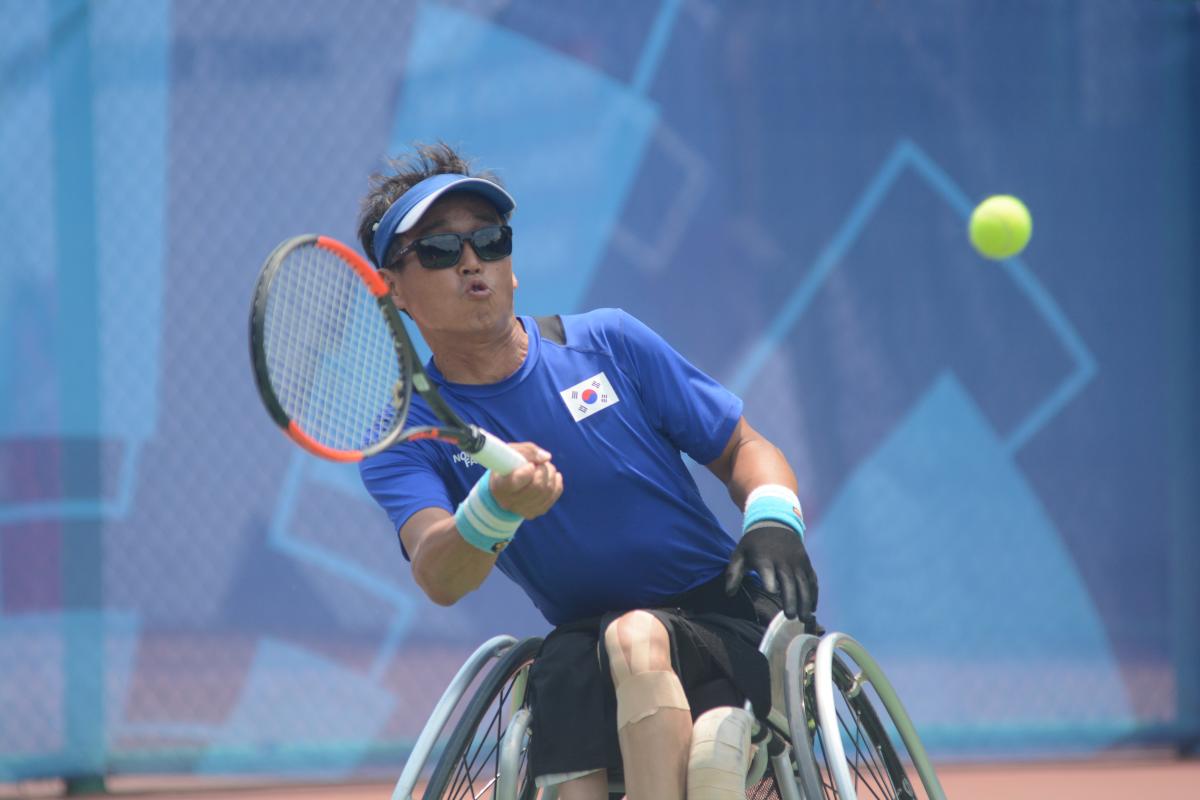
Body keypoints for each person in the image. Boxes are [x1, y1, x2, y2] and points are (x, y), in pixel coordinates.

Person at [356, 143, 819, 800]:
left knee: (690, 717)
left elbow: (743, 445)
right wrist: (496, 507)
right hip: (586, 648)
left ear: (511, 267)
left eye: (488, 240)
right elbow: (439, 572)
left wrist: (773, 520)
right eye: (437, 250)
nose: (470, 261)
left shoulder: (607, 343)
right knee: (580, 673)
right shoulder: (405, 435)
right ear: (394, 290)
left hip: (724, 619)